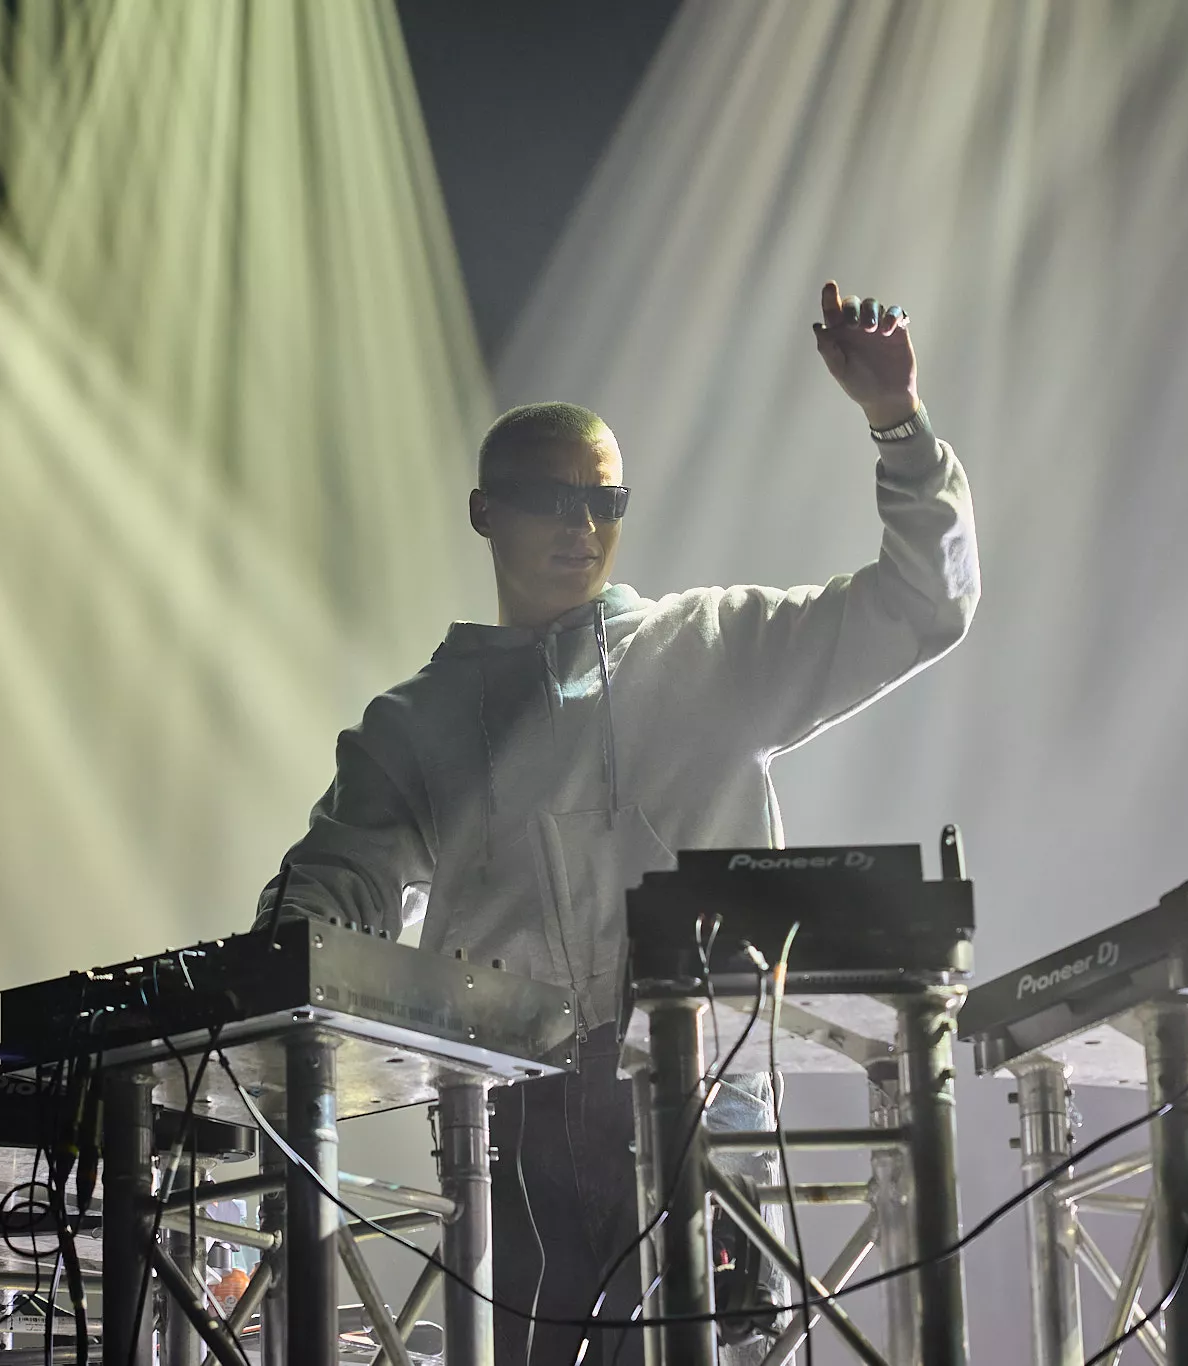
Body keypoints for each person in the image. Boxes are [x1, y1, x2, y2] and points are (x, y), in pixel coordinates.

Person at [254, 282, 979, 1363]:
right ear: (483, 510)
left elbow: (926, 603)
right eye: (551, 499)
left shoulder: (715, 645)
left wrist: (897, 422)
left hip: (703, 1100)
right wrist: (267, 961)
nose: (581, 526)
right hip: (508, 1117)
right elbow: (334, 889)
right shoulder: (415, 722)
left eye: (603, 500)